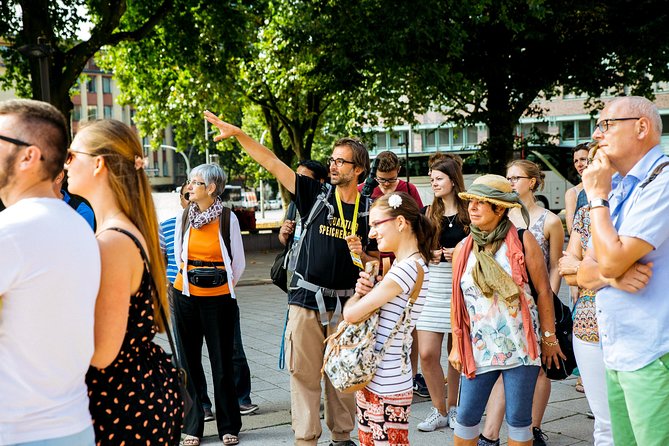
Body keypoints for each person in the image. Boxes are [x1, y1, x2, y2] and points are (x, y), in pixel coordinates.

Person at [204, 109, 379, 446]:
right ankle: (306, 438)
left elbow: (377, 260)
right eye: (332, 160)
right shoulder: (316, 194)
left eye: (341, 162)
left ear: (358, 169)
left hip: (348, 305)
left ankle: (342, 437)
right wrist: (240, 135)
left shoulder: (371, 209)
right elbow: (271, 162)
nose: (333, 165)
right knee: (303, 374)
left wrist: (365, 254)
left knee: (341, 376)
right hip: (305, 300)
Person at [65, 118, 183, 444]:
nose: (66, 163)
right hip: (139, 395)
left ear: (99, 163)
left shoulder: (112, 242)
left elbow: (103, 353)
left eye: (72, 155)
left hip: (122, 406)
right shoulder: (123, 229)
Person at [0, 99, 101, 445]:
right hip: (71, 426)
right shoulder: (79, 228)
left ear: (29, 155)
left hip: (18, 432)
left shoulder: (11, 232)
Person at [578, 96, 668, 446]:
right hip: (618, 348)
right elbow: (584, 272)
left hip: (652, 352)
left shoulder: (661, 182)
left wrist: (596, 197)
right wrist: (613, 276)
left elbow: (609, 259)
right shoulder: (619, 187)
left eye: (607, 125)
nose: (598, 135)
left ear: (641, 127)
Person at [449, 174, 563, 446]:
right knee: (465, 417)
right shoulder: (463, 248)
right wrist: (456, 344)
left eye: (481, 202)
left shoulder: (524, 241)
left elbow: (544, 292)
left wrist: (549, 338)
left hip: (521, 346)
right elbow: (457, 301)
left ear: (500, 208)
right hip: (478, 348)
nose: (472, 207)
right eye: (471, 202)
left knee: (519, 420)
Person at [479, 160, 565, 446]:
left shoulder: (549, 221)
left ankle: (534, 427)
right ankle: (490, 433)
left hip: (538, 301)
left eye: (517, 177)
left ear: (533, 182)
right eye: (508, 177)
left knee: (540, 366)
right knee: (504, 365)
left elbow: (554, 266)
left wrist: (548, 303)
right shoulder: (501, 216)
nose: (512, 182)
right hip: (502, 307)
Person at [343, 192, 433, 446]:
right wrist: (364, 293)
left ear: (401, 222)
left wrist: (359, 295)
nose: (371, 233)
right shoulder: (406, 265)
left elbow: (351, 314)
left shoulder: (405, 269)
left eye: (375, 224)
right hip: (383, 377)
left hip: (386, 383)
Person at [172, 164, 246, 446]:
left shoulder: (228, 218)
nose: (189, 186)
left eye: (195, 182)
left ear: (211, 188)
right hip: (186, 296)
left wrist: (218, 286)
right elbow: (180, 257)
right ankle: (193, 426)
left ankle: (229, 425)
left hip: (219, 299)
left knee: (222, 362)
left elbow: (237, 264)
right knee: (189, 363)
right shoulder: (184, 217)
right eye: (190, 181)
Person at [415, 155, 468, 432]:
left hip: (460, 285)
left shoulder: (469, 211)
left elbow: (479, 248)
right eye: (431, 178)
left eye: (438, 178)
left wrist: (458, 253)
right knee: (426, 353)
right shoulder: (427, 212)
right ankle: (439, 410)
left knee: (455, 354)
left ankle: (455, 406)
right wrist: (431, 254)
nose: (433, 182)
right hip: (432, 285)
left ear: (452, 180)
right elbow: (418, 249)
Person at [558, 203, 613, 445]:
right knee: (604, 422)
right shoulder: (585, 212)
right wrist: (608, 273)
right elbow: (567, 271)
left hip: (633, 324)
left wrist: (582, 269)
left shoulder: (644, 201)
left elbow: (643, 272)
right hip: (588, 323)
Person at [357, 150, 423, 206]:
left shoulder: (409, 189)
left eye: (391, 179)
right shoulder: (362, 190)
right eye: (382, 179)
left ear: (399, 170)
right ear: (375, 172)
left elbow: (420, 216)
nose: (386, 183)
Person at [564, 143, 591, 233]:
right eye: (576, 161)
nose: (579, 164)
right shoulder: (572, 193)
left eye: (583, 159)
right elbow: (572, 230)